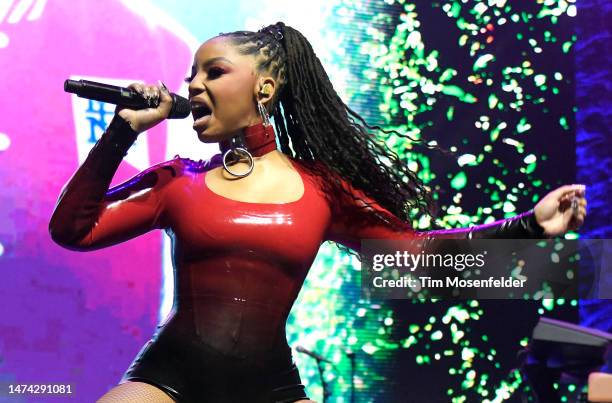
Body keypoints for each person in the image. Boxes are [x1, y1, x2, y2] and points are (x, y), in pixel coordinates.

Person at [48, 22, 587, 403]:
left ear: (264, 86)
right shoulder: (179, 180)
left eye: (213, 72)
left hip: (270, 389)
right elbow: (73, 230)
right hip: (167, 381)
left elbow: (419, 260)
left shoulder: (323, 192)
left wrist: (530, 226)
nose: (193, 86)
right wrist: (122, 131)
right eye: (192, 75)